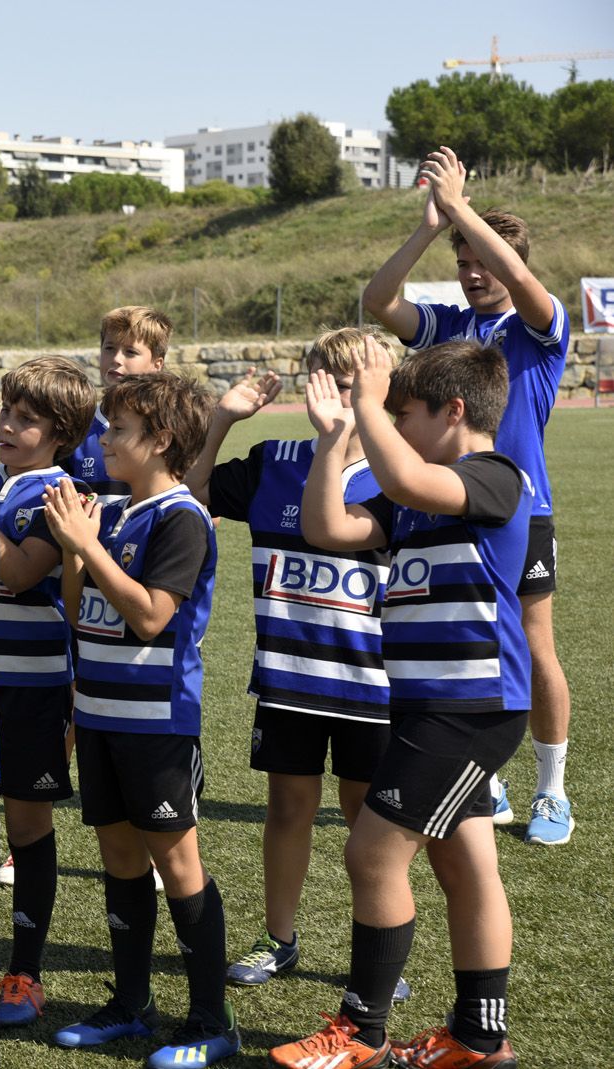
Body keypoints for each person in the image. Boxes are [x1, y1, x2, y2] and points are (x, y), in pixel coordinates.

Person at [269, 337, 528, 1069]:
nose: (390, 421)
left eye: (402, 411)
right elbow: (327, 529)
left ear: (453, 412)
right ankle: (477, 1039)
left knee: (373, 850)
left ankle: (362, 1032)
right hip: (426, 708)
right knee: (465, 865)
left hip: (469, 706)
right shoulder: (410, 492)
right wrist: (331, 444)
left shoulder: (492, 475)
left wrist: (365, 402)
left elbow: (412, 479)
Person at [184, 333, 406, 1000]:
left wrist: (343, 440)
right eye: (325, 379)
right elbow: (192, 496)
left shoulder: (403, 475)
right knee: (287, 808)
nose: (335, 395)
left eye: (350, 382)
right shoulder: (273, 460)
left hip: (373, 686)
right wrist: (221, 420)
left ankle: (374, 948)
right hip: (289, 678)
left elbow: (334, 530)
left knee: (370, 822)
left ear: (381, 390)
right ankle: (278, 936)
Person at [362, 147, 572, 846]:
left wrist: (462, 210)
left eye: (484, 257)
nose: (475, 271)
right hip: (442, 503)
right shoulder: (451, 329)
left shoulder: (539, 328)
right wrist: (428, 227)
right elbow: (378, 301)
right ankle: (485, 771)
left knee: (534, 645)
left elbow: (517, 273)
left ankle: (552, 788)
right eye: (464, 261)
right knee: (457, 636)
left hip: (518, 510)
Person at [44, 372, 239, 1067]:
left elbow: (153, 616)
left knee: (177, 862)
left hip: (157, 720)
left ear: (161, 441)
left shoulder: (180, 517)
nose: (103, 440)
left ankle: (213, 1019)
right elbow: (77, 610)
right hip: (98, 715)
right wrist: (74, 548)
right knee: (119, 858)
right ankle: (131, 1004)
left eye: (117, 429)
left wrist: (87, 545)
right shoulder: (117, 511)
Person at [0, 356, 97, 1029]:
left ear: (61, 434)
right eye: (7, 411)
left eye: (28, 419)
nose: (9, 425)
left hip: (33, 687)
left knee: (26, 826)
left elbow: (19, 572)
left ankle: (26, 969)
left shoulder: (63, 497)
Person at [65, 306, 174, 509]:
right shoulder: (78, 425)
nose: (116, 359)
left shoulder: (174, 426)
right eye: (109, 348)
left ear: (157, 364)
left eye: (130, 352)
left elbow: (209, 513)